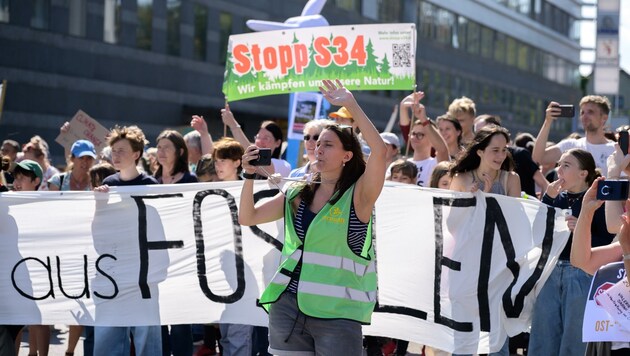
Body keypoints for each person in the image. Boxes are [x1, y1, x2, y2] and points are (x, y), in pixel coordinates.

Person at [238, 79, 386, 355]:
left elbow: (380, 152)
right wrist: (248, 175)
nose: (318, 148)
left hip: (338, 315)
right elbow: (248, 217)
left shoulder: (359, 195)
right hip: (288, 307)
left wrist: (351, 104)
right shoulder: (298, 191)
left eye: (328, 145)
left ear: (347, 156)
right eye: (317, 143)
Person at [528, 149, 615, 355]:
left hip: (582, 272)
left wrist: (582, 230)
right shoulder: (557, 197)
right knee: (543, 335)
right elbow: (537, 232)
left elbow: (608, 240)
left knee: (575, 339)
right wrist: (547, 199)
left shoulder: (597, 201)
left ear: (583, 173)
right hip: (551, 270)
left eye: (566, 165)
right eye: (559, 164)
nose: (559, 169)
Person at [93, 125, 162, 356]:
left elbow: (158, 231)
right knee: (108, 337)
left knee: (147, 340)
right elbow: (99, 236)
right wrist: (99, 206)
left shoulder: (151, 187)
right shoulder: (108, 185)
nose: (116, 155)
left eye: (121, 150)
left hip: (144, 275)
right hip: (114, 273)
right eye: (113, 151)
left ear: (136, 154)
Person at [47, 139, 97, 356]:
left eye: (89, 158)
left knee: (81, 302)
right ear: (72, 159)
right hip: (59, 248)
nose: (85, 162)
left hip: (86, 249)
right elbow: (48, 213)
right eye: (82, 157)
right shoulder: (57, 181)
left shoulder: (97, 183)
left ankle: (69, 351)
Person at [571, 178, 630, 356]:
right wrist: (586, 211)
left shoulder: (626, 243)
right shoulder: (625, 241)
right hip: (614, 346)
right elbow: (582, 260)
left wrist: (627, 249)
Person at [152, 130, 197, 356]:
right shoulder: (150, 182)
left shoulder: (191, 182)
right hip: (154, 258)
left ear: (180, 152)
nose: (161, 152)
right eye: (158, 147)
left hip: (182, 259)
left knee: (180, 321)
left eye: (166, 147)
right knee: (157, 319)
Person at [532, 96, 615, 173]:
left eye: (590, 112)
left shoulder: (615, 149)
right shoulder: (570, 145)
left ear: (604, 118)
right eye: (582, 112)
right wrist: (548, 121)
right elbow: (538, 159)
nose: (584, 116)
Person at [394, 92, 449, 186]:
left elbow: (443, 150)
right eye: (413, 133)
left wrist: (423, 118)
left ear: (432, 140)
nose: (415, 137)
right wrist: (403, 107)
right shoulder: (397, 166)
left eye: (420, 134)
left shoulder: (435, 164)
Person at [449, 125, 521, 197]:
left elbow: (513, 208)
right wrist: (468, 198)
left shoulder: (512, 179)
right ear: (480, 152)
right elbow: (451, 207)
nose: (501, 156)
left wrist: (485, 196)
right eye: (495, 150)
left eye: (504, 150)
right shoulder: (460, 179)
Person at [221, 106, 292, 177]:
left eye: (266, 138)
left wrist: (233, 125)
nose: (260, 141)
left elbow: (255, 159)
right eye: (258, 137)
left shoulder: (284, 166)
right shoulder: (245, 162)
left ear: (278, 143)